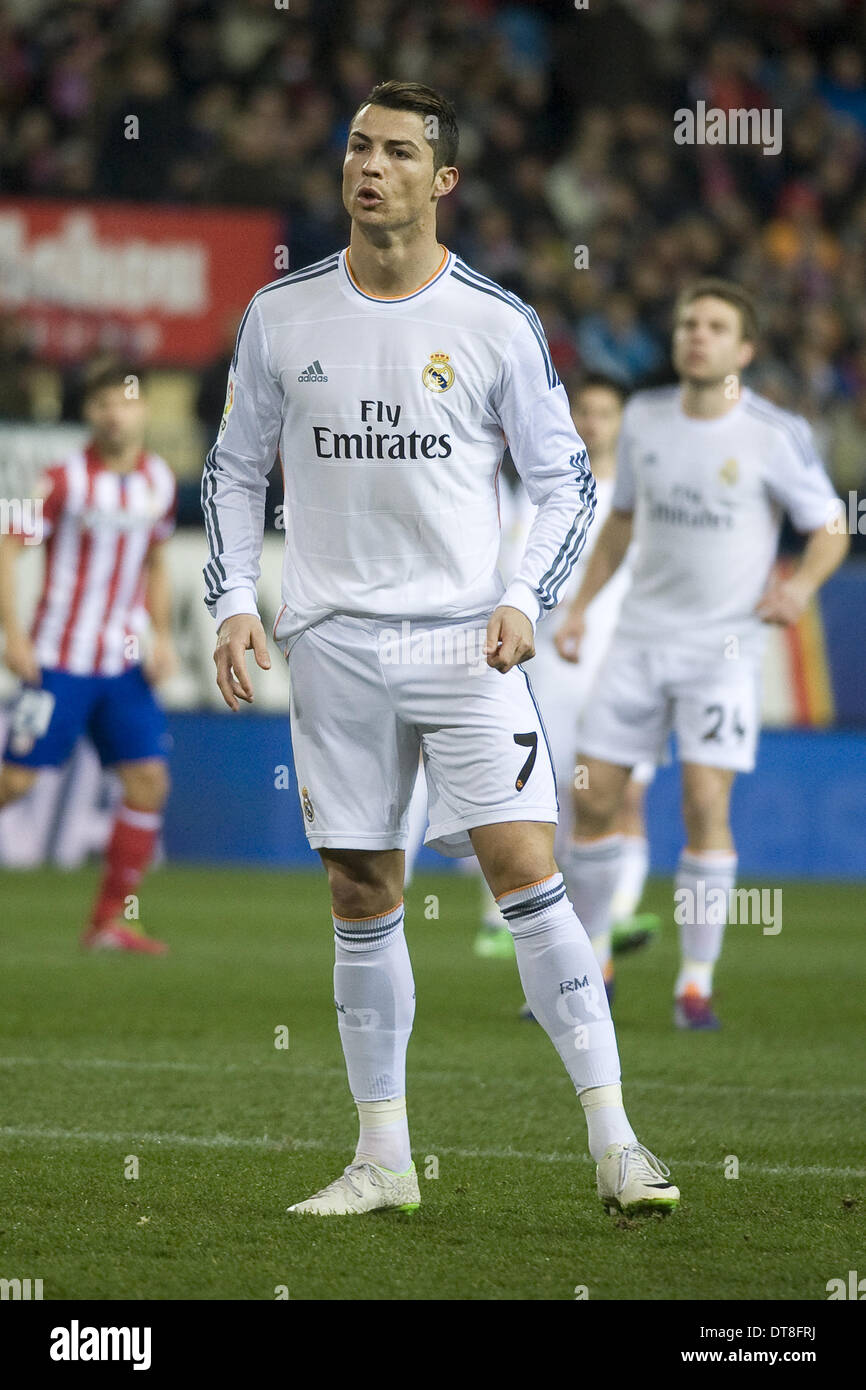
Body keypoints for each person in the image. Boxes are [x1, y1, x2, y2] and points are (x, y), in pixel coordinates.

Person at [204, 80, 679, 1219]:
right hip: (331, 644)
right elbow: (230, 472)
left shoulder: (493, 322)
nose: (370, 167)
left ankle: (617, 1144)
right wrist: (230, 599)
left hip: (467, 644)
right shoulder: (280, 316)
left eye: (399, 153)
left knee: (525, 866)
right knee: (362, 887)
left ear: (443, 180)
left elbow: (565, 479)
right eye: (358, 146)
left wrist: (524, 592)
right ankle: (382, 1159)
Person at [555, 280, 849, 1028]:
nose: (696, 334)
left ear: (743, 350)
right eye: (688, 322)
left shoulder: (773, 434)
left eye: (715, 326)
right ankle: (594, 959)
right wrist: (583, 606)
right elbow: (620, 526)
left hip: (722, 650)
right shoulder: (646, 420)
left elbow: (830, 525)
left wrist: (803, 586)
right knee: (591, 799)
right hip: (639, 639)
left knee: (704, 802)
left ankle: (694, 982)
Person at [472, 376, 660, 980]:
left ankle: (615, 915)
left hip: (622, 661)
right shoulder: (538, 494)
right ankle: (507, 917)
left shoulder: (639, 502)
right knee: (535, 795)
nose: (595, 422)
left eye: (607, 412)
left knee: (623, 792)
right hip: (547, 664)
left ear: (623, 423)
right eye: (586, 410)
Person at [0, 358, 176, 953]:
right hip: (56, 663)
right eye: (102, 403)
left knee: (148, 781)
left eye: (124, 401)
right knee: (15, 784)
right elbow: (7, 544)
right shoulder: (63, 479)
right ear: (88, 414)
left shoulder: (159, 482)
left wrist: (162, 637)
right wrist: (15, 637)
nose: (114, 413)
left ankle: (109, 922)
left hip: (121, 666)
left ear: (143, 408)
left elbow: (155, 563)